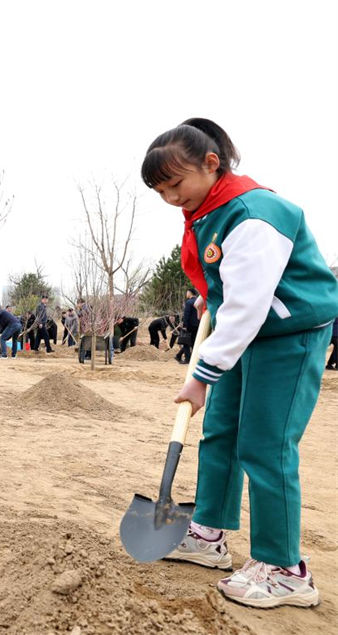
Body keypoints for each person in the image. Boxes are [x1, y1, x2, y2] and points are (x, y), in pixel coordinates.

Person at [142, 117, 338, 608]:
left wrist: (201, 376)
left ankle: (285, 568)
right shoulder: (209, 208)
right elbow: (233, 285)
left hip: (289, 334)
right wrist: (213, 297)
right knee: (222, 432)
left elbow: (251, 304)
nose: (170, 198)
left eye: (175, 184)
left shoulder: (253, 212)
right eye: (161, 190)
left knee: (266, 444)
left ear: (211, 164)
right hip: (247, 332)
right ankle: (209, 534)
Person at [175, 288, 200, 364]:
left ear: (190, 293)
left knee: (185, 342)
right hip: (198, 325)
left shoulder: (189, 302)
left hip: (190, 325)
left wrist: (185, 325)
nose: (186, 294)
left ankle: (187, 359)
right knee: (194, 342)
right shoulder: (199, 301)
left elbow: (187, 314)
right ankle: (179, 356)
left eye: (187, 292)